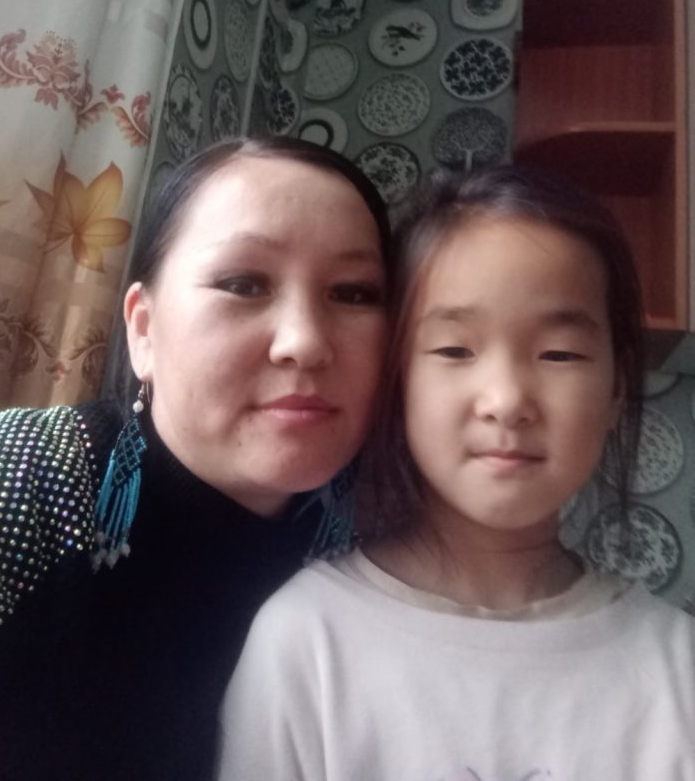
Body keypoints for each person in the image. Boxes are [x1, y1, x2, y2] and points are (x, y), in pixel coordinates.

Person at [0, 136, 390, 781]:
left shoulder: (386, 543)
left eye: (354, 293)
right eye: (243, 283)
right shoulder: (29, 475)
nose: (305, 341)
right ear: (143, 329)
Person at [217, 165, 695, 780]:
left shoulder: (675, 664)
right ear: (399, 382)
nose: (507, 400)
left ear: (616, 391)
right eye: (454, 350)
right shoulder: (306, 640)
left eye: (560, 353)